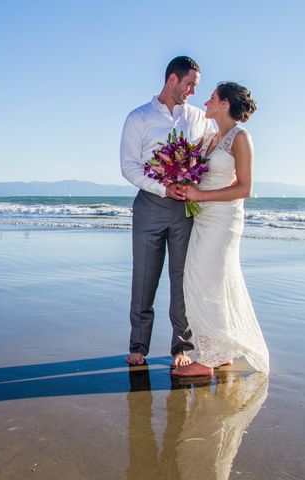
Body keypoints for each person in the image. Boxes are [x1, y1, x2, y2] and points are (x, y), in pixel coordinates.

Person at [120, 56, 215, 367]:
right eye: (190, 84)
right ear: (172, 80)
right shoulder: (139, 117)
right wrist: (163, 187)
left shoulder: (198, 118)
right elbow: (129, 167)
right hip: (149, 205)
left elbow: (214, 149)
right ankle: (138, 346)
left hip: (185, 209)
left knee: (181, 279)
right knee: (144, 277)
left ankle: (182, 348)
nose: (192, 91)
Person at [172, 82, 270, 377]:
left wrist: (200, 195)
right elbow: (196, 175)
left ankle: (207, 359)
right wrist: (182, 184)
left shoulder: (240, 138)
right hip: (202, 217)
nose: (207, 101)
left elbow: (245, 188)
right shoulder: (209, 138)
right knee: (203, 281)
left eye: (212, 97)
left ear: (225, 103)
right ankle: (221, 351)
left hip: (224, 220)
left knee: (206, 282)